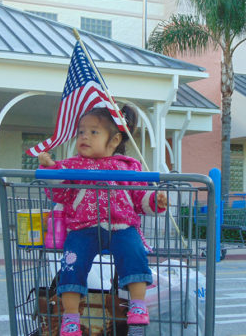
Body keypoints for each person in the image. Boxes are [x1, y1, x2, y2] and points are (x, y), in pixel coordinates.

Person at [38, 105, 168, 336]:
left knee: (135, 253)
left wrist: (155, 201)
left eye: (93, 132)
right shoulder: (71, 166)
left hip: (122, 226)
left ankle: (138, 305)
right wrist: (50, 170)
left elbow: (139, 198)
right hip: (82, 228)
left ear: (114, 139)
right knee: (71, 264)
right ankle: (70, 317)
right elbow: (59, 194)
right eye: (81, 132)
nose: (84, 136)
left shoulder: (128, 167)